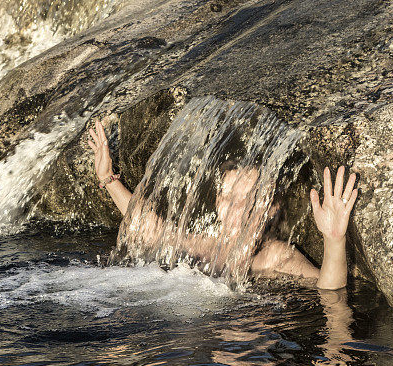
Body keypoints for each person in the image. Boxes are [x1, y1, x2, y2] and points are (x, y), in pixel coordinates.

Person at [87, 118, 358, 290]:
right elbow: (147, 227)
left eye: (245, 200)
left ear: (269, 207)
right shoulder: (204, 241)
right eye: (228, 198)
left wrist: (334, 239)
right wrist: (107, 178)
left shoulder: (275, 256)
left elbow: (328, 289)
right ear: (217, 202)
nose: (234, 208)